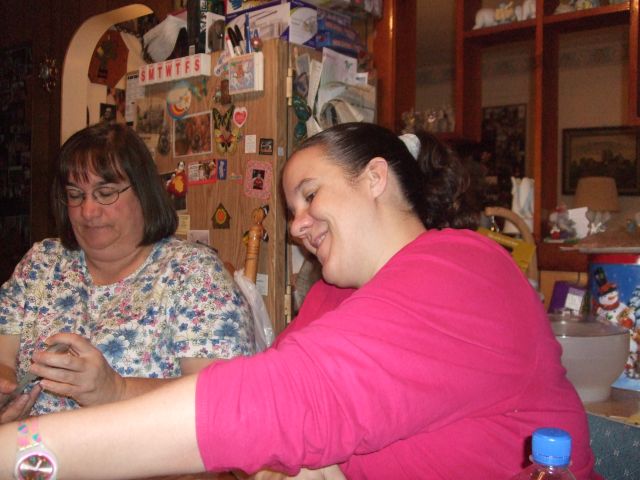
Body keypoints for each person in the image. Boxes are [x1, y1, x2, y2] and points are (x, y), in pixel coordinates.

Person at [0, 122, 595, 479]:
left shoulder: (465, 267)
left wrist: (20, 452)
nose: (296, 226)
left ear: (375, 178)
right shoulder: (331, 297)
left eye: (310, 196)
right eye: (291, 210)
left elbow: (278, 406)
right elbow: (271, 418)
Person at [0, 122, 255, 424]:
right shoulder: (42, 262)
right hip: (30, 449)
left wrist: (117, 390)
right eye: (75, 195)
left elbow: (223, 402)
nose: (88, 211)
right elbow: (4, 358)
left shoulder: (195, 275)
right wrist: (5, 391)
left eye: (106, 193)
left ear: (143, 193)